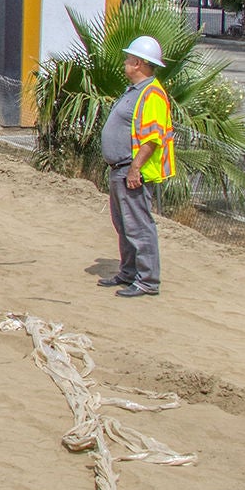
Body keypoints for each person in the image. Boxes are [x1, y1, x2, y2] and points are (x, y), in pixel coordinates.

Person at [98, 34, 176, 297]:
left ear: (140, 64)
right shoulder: (135, 91)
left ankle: (147, 280)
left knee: (138, 226)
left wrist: (135, 169)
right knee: (123, 224)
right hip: (120, 168)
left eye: (129, 59)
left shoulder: (152, 94)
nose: (125, 62)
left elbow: (152, 138)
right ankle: (129, 272)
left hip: (133, 170)